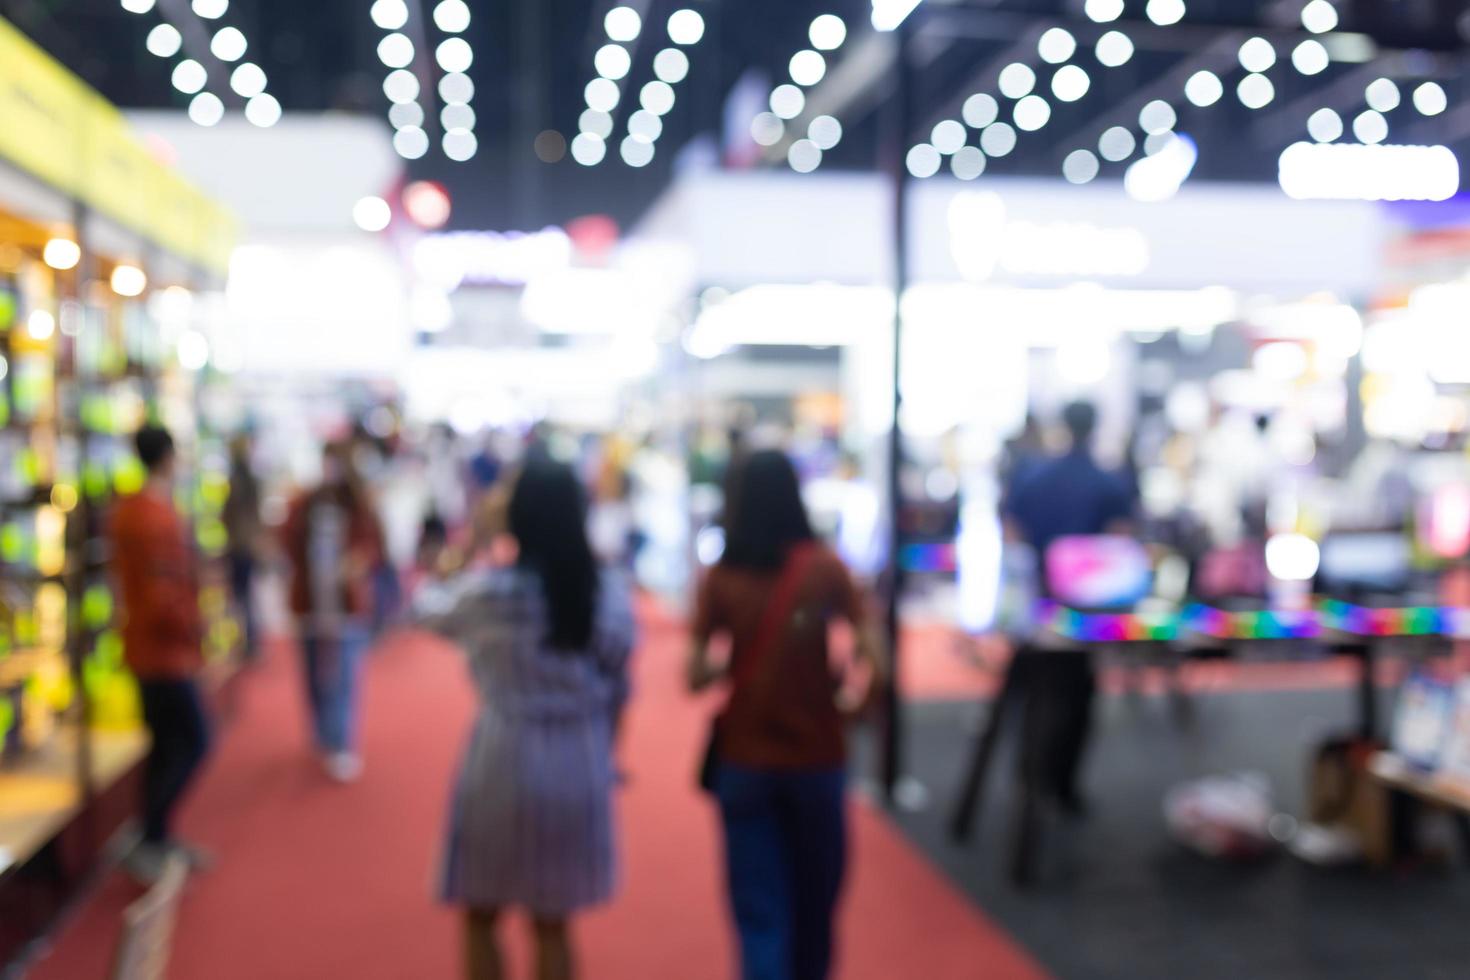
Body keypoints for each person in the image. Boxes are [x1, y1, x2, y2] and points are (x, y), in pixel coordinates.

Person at [417, 461, 633, 980]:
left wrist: (472, 541)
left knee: (480, 910)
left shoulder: (490, 594)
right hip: (577, 760)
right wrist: (609, 756)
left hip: (501, 758)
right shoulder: (606, 595)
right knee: (553, 921)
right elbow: (621, 685)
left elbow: (425, 609)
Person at [688, 450, 884, 980]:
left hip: (745, 757)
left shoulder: (723, 574)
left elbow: (694, 674)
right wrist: (854, 703)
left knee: (759, 913)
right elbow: (873, 653)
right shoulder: (823, 568)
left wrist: (728, 661)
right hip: (817, 754)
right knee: (815, 909)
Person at [1003, 401, 1136, 812]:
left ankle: (1029, 773)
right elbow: (1120, 541)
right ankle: (1060, 784)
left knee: (1029, 688)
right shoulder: (1107, 481)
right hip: (1084, 610)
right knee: (1076, 693)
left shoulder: (1034, 474)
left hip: (1038, 602)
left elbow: (1011, 530)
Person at [109, 425, 212, 883]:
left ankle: (156, 835)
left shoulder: (129, 511)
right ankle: (151, 836)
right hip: (165, 651)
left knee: (167, 743)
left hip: (143, 645)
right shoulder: (154, 516)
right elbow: (163, 591)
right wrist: (193, 630)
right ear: (168, 456)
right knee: (192, 740)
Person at [281, 440, 385, 783]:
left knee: (343, 677)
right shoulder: (305, 502)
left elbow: (376, 545)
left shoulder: (360, 504)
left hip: (347, 605)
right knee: (312, 672)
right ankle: (322, 730)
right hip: (311, 602)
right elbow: (286, 540)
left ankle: (341, 741)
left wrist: (358, 562)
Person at [223, 432, 264, 661]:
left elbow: (232, 514)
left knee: (242, 595)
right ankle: (249, 640)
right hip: (245, 542)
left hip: (240, 544)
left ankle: (247, 641)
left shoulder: (239, 479)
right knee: (246, 595)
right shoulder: (247, 478)